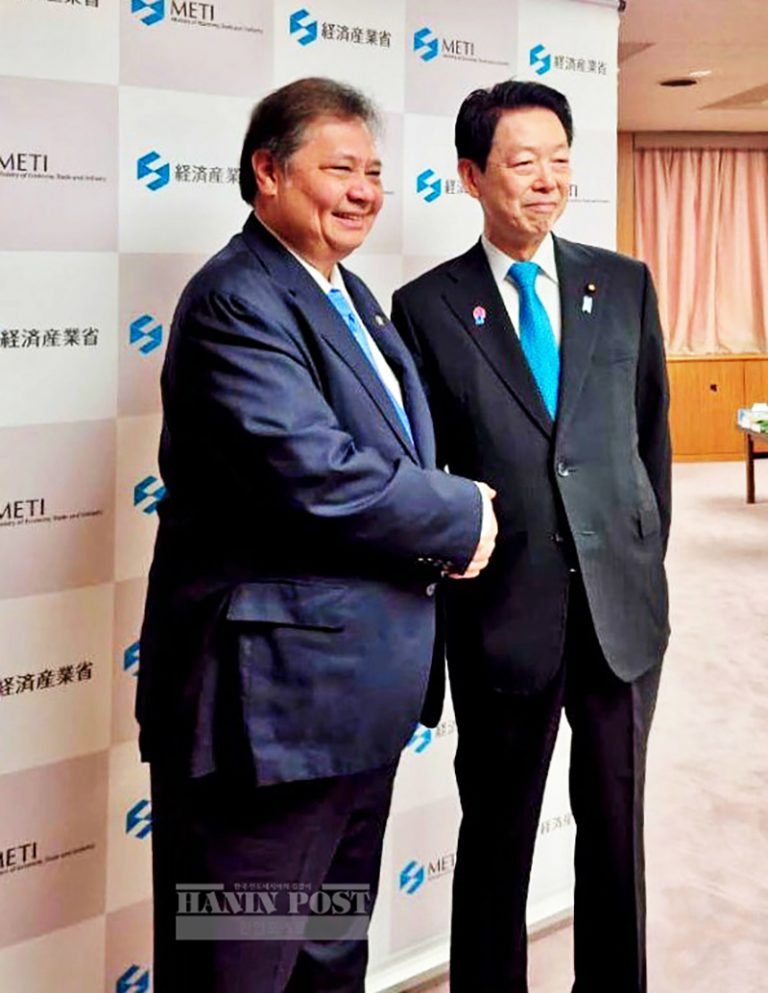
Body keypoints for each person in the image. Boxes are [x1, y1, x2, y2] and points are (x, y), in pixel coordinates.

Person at [136, 76, 497, 993]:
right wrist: (462, 513)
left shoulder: (347, 293)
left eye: (373, 171)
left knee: (327, 955)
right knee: (240, 964)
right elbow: (312, 471)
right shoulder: (237, 298)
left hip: (351, 706)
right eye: (340, 169)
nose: (364, 191)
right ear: (267, 171)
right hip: (270, 720)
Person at [391, 79, 671, 993]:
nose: (547, 179)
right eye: (523, 162)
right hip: (502, 615)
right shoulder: (426, 306)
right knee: (497, 838)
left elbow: (650, 442)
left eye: (559, 159)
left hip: (620, 614)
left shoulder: (621, 284)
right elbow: (426, 473)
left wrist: (639, 560)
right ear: (472, 176)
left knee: (618, 831)